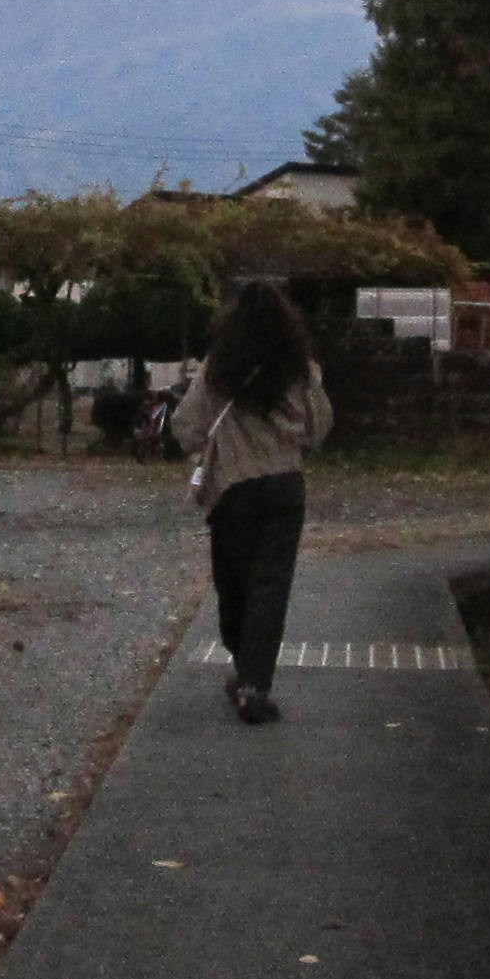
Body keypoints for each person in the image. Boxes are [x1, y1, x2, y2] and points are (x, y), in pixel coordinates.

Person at [169, 278, 332, 723]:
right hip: (284, 486)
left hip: (233, 489)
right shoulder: (300, 368)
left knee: (234, 583)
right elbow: (319, 428)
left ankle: (244, 669)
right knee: (271, 587)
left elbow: (186, 426)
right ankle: (254, 684)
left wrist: (212, 441)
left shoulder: (218, 368)